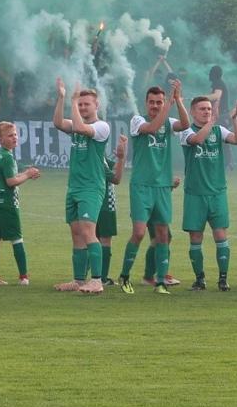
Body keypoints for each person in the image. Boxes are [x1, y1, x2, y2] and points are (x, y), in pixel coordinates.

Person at [117, 82, 190, 295]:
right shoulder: (137, 120)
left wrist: (177, 101)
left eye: (159, 102)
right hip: (141, 186)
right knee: (139, 233)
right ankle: (125, 276)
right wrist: (169, 103)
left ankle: (160, 282)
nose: (156, 106)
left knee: (162, 235)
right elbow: (152, 128)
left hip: (162, 187)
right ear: (146, 103)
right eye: (152, 102)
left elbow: (186, 124)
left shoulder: (169, 121)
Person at [179, 97, 237, 291]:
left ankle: (223, 279)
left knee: (221, 235)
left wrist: (234, 120)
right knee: (196, 237)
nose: (207, 112)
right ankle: (200, 279)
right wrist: (212, 122)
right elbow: (198, 139)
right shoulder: (185, 131)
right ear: (192, 112)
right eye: (202, 109)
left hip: (217, 192)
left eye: (209, 109)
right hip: (195, 193)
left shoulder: (218, 131)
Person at [52, 78, 111, 294]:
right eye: (81, 103)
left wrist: (74, 100)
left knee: (88, 231)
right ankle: (78, 280)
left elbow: (78, 126)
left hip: (91, 187)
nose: (83, 107)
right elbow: (59, 123)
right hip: (74, 187)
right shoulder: (79, 125)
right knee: (76, 233)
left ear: (97, 106)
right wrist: (61, 98)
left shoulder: (102, 126)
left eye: (87, 104)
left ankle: (97, 280)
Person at [0, 122, 40, 285]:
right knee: (17, 238)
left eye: (15, 134)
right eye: (10, 135)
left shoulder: (0, 154)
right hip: (6, 203)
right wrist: (28, 175)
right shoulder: (7, 157)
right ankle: (23, 277)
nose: (15, 137)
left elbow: (10, 175)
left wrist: (27, 172)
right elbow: (11, 181)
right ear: (1, 139)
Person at [96, 135, 128, 286]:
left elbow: (112, 167)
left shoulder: (99, 155)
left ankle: (88, 276)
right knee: (104, 239)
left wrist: (121, 156)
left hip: (96, 202)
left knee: (92, 238)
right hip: (104, 203)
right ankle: (101, 277)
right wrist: (122, 159)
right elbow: (116, 178)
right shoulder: (96, 157)